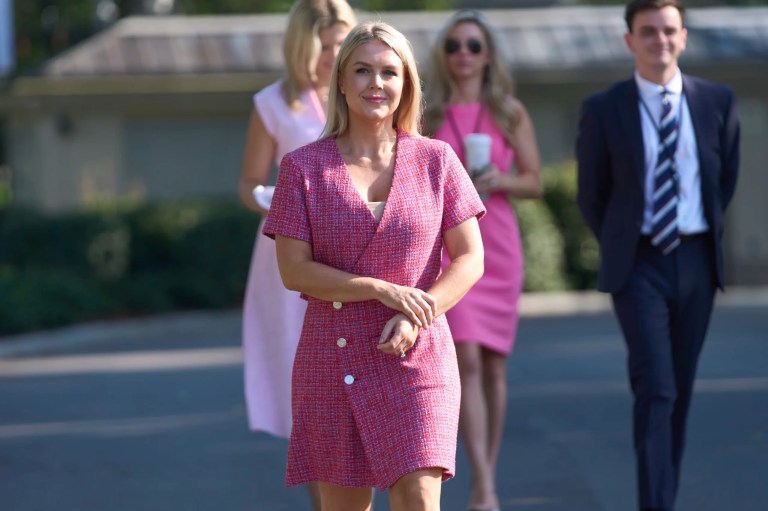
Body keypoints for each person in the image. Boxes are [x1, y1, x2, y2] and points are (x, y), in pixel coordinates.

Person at [263, 21, 486, 511]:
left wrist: (415, 312)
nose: (376, 83)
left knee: (420, 499)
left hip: (417, 355)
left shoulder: (437, 160)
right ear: (341, 81)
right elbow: (294, 271)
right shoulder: (301, 168)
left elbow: (470, 258)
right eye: (362, 70)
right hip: (330, 360)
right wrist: (381, 289)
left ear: (406, 84)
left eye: (390, 72)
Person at [575, 1, 739, 509]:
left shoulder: (718, 101)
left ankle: (663, 493)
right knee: (657, 386)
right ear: (630, 41)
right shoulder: (604, 108)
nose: (659, 40)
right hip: (639, 262)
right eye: (647, 32)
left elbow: (724, 179)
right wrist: (623, 241)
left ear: (683, 37)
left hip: (695, 258)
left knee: (681, 389)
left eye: (669, 30)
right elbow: (591, 193)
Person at [236, 1, 356, 508]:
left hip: (357, 255)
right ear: (302, 48)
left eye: (340, 45)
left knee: (364, 385)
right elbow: (248, 183)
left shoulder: (364, 95)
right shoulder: (273, 104)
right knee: (309, 388)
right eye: (324, 47)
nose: (333, 56)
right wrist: (272, 200)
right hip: (291, 256)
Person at [423, 10, 543, 511]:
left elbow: (536, 180)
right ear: (443, 56)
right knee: (466, 358)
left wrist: (499, 179)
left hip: (499, 242)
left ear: (488, 54)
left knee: (494, 367)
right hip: (450, 247)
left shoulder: (508, 111)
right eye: (454, 46)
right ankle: (484, 488)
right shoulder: (427, 115)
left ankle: (485, 473)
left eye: (473, 45)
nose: (464, 55)